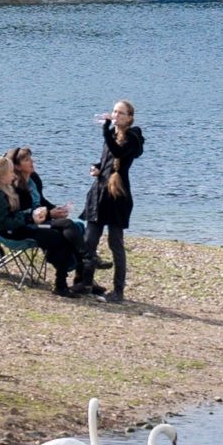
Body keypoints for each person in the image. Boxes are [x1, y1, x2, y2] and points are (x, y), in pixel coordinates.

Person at [0, 146, 97, 296]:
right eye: (11, 172)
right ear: (2, 174)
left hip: (27, 225)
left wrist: (49, 212)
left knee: (68, 227)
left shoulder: (9, 187)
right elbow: (5, 223)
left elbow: (31, 208)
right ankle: (71, 276)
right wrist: (33, 217)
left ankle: (78, 271)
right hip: (14, 232)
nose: (13, 175)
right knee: (59, 236)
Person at [88, 100, 144, 303]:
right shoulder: (111, 135)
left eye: (121, 113)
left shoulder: (134, 137)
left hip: (118, 195)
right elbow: (108, 159)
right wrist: (97, 167)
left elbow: (120, 153)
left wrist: (105, 130)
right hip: (100, 192)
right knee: (90, 240)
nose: (116, 115)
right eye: (114, 111)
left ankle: (118, 290)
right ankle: (86, 282)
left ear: (129, 118)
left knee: (115, 242)